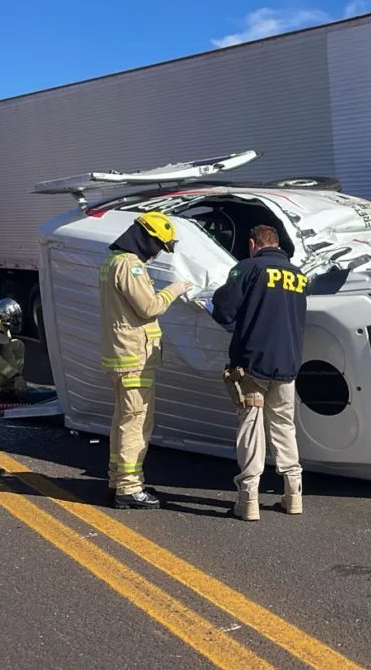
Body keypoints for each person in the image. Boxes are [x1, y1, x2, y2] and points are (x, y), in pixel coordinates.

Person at [211, 224, 308, 521]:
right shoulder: (299, 276)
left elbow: (225, 310)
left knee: (251, 426)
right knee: (283, 426)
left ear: (253, 244)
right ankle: (293, 495)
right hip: (288, 364)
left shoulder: (248, 268)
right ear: (277, 245)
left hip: (251, 364)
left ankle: (249, 499)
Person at [99, 212, 191, 509]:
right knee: (136, 423)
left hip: (121, 355)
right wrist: (175, 289)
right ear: (145, 238)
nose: (156, 255)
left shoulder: (113, 262)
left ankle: (119, 478)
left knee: (123, 420)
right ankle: (129, 488)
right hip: (133, 357)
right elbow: (148, 307)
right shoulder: (130, 265)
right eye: (157, 247)